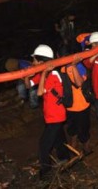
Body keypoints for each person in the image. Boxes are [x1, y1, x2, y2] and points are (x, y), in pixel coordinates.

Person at [27, 44, 70, 177]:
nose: (32, 62)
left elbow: (39, 93)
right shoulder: (43, 74)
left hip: (56, 116)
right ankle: (65, 158)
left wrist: (44, 73)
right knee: (58, 139)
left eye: (34, 60)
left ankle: (45, 171)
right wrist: (26, 76)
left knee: (43, 145)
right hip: (51, 115)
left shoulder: (53, 75)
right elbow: (29, 86)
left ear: (41, 62)